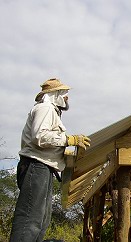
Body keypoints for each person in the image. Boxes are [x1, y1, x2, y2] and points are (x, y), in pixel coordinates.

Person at [10, 78, 91, 242]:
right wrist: (69, 140)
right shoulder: (45, 108)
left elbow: (48, 140)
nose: (67, 97)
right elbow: (40, 136)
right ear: (56, 94)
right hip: (36, 166)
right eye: (65, 93)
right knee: (30, 219)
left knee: (41, 220)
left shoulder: (51, 111)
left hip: (43, 168)